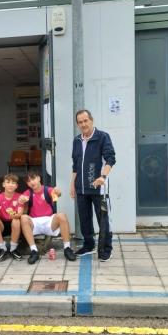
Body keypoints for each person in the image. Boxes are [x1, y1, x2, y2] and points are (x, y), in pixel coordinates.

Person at [70, 109, 116, 261]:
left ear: (91, 120)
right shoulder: (77, 140)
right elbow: (75, 165)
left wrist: (103, 176)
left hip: (99, 188)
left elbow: (110, 159)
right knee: (84, 219)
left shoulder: (102, 137)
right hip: (81, 188)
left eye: (85, 121)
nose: (83, 124)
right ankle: (89, 245)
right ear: (77, 124)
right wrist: (72, 185)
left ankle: (106, 249)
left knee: (103, 220)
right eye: (80, 122)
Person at [19, 170, 77, 264]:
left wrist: (58, 192)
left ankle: (67, 248)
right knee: (23, 218)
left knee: (62, 215)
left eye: (33, 179)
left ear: (39, 178)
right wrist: (22, 200)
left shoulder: (47, 190)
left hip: (49, 222)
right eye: (28, 181)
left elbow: (56, 194)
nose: (32, 182)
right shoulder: (27, 193)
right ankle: (34, 251)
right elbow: (21, 200)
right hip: (34, 223)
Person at [0, 173, 23, 263]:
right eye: (8, 182)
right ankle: (2, 248)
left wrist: (15, 215)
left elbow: (20, 213)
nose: (10, 185)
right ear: (3, 184)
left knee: (16, 220)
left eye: (13, 183)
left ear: (16, 186)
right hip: (2, 225)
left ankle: (13, 248)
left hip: (14, 225)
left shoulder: (20, 196)